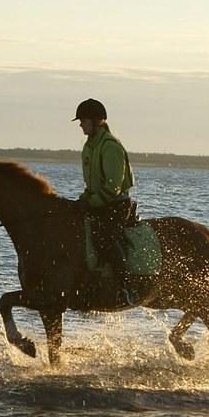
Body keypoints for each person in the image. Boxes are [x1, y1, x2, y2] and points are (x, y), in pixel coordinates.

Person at [73, 98, 136, 305]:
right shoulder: (88, 147)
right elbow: (92, 187)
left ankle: (125, 288)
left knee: (104, 237)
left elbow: (112, 187)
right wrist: (82, 200)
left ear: (96, 121)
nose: (80, 124)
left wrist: (92, 202)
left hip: (115, 204)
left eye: (83, 120)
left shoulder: (110, 146)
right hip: (98, 202)